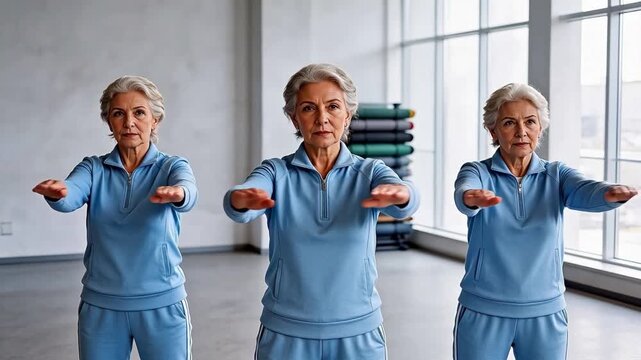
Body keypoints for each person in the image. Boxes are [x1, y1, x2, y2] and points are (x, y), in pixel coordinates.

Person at [223, 63, 419, 360]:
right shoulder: (276, 172)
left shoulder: (369, 172)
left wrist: (402, 194)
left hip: (358, 331)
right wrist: (242, 198)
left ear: (348, 114)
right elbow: (241, 199)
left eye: (333, 106)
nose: (322, 118)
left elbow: (406, 196)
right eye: (308, 108)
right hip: (286, 331)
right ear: (294, 118)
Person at [452, 83, 637, 360]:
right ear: (493, 131)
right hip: (484, 309)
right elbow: (464, 191)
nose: (521, 132)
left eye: (530, 122)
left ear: (540, 128)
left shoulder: (557, 175)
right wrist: (471, 197)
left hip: (545, 311)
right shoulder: (477, 172)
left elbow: (584, 189)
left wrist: (609, 193)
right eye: (509, 123)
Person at [32, 75, 198, 360]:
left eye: (139, 113)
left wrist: (178, 193)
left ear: (155, 120)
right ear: (109, 122)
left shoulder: (172, 166)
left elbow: (188, 190)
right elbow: (72, 191)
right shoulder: (93, 168)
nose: (129, 122)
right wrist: (59, 192)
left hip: (162, 304)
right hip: (102, 306)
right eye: (118, 114)